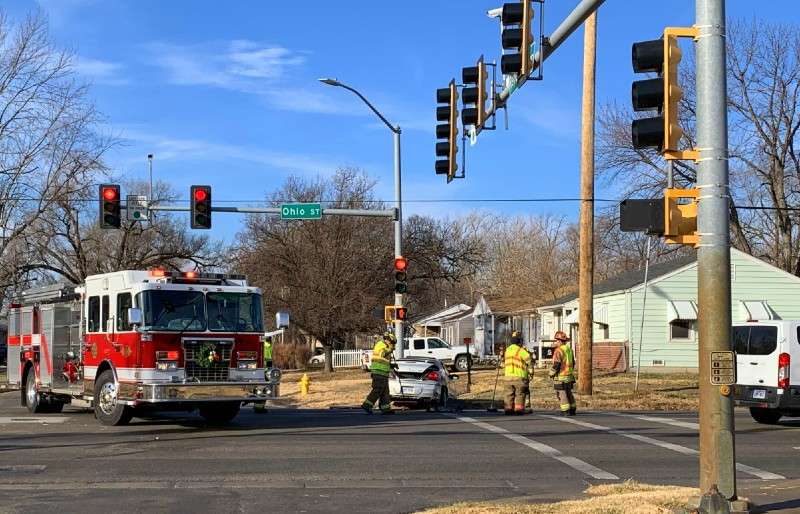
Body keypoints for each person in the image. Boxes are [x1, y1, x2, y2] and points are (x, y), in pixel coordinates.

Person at [361, 332, 397, 415]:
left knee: (385, 392)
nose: (393, 345)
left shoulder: (385, 346)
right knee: (377, 390)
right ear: (388, 340)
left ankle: (385, 409)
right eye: (392, 343)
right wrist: (390, 349)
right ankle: (367, 405)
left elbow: (383, 360)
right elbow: (382, 354)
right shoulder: (381, 345)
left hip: (383, 372)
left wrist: (391, 365)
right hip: (378, 371)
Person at [503, 331, 532, 415]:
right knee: (520, 393)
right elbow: (528, 359)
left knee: (508, 394)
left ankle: (508, 409)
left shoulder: (507, 350)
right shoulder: (520, 350)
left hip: (508, 376)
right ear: (519, 342)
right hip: (519, 376)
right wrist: (530, 371)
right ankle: (519, 410)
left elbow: (503, 361)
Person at [549, 331, 577, 416]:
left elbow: (556, 364)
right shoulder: (569, 349)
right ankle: (573, 408)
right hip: (569, 376)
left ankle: (565, 410)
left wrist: (551, 373)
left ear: (560, 341)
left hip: (561, 376)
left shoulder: (559, 350)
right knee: (569, 392)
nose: (556, 342)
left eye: (557, 340)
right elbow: (572, 362)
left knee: (562, 393)